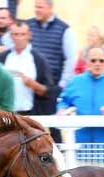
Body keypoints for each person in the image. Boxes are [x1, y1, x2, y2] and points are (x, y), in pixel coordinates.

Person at [57, 48, 104, 168]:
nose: (97, 64)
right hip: (80, 151)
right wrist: (62, 110)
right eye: (93, 60)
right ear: (86, 62)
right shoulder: (75, 82)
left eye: (101, 60)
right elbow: (63, 101)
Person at [27, 0, 77, 143]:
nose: (37, 10)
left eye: (40, 7)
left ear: (50, 8)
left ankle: (59, 162)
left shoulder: (64, 29)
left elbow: (70, 59)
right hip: (31, 87)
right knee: (31, 129)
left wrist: (61, 85)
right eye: (35, 7)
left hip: (53, 87)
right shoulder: (28, 25)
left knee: (55, 129)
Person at [0, 20, 52, 115]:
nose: (19, 38)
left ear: (29, 35)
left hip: (30, 113)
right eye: (16, 34)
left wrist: (33, 85)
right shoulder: (3, 57)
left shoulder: (38, 59)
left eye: (23, 34)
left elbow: (48, 91)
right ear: (11, 36)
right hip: (6, 114)